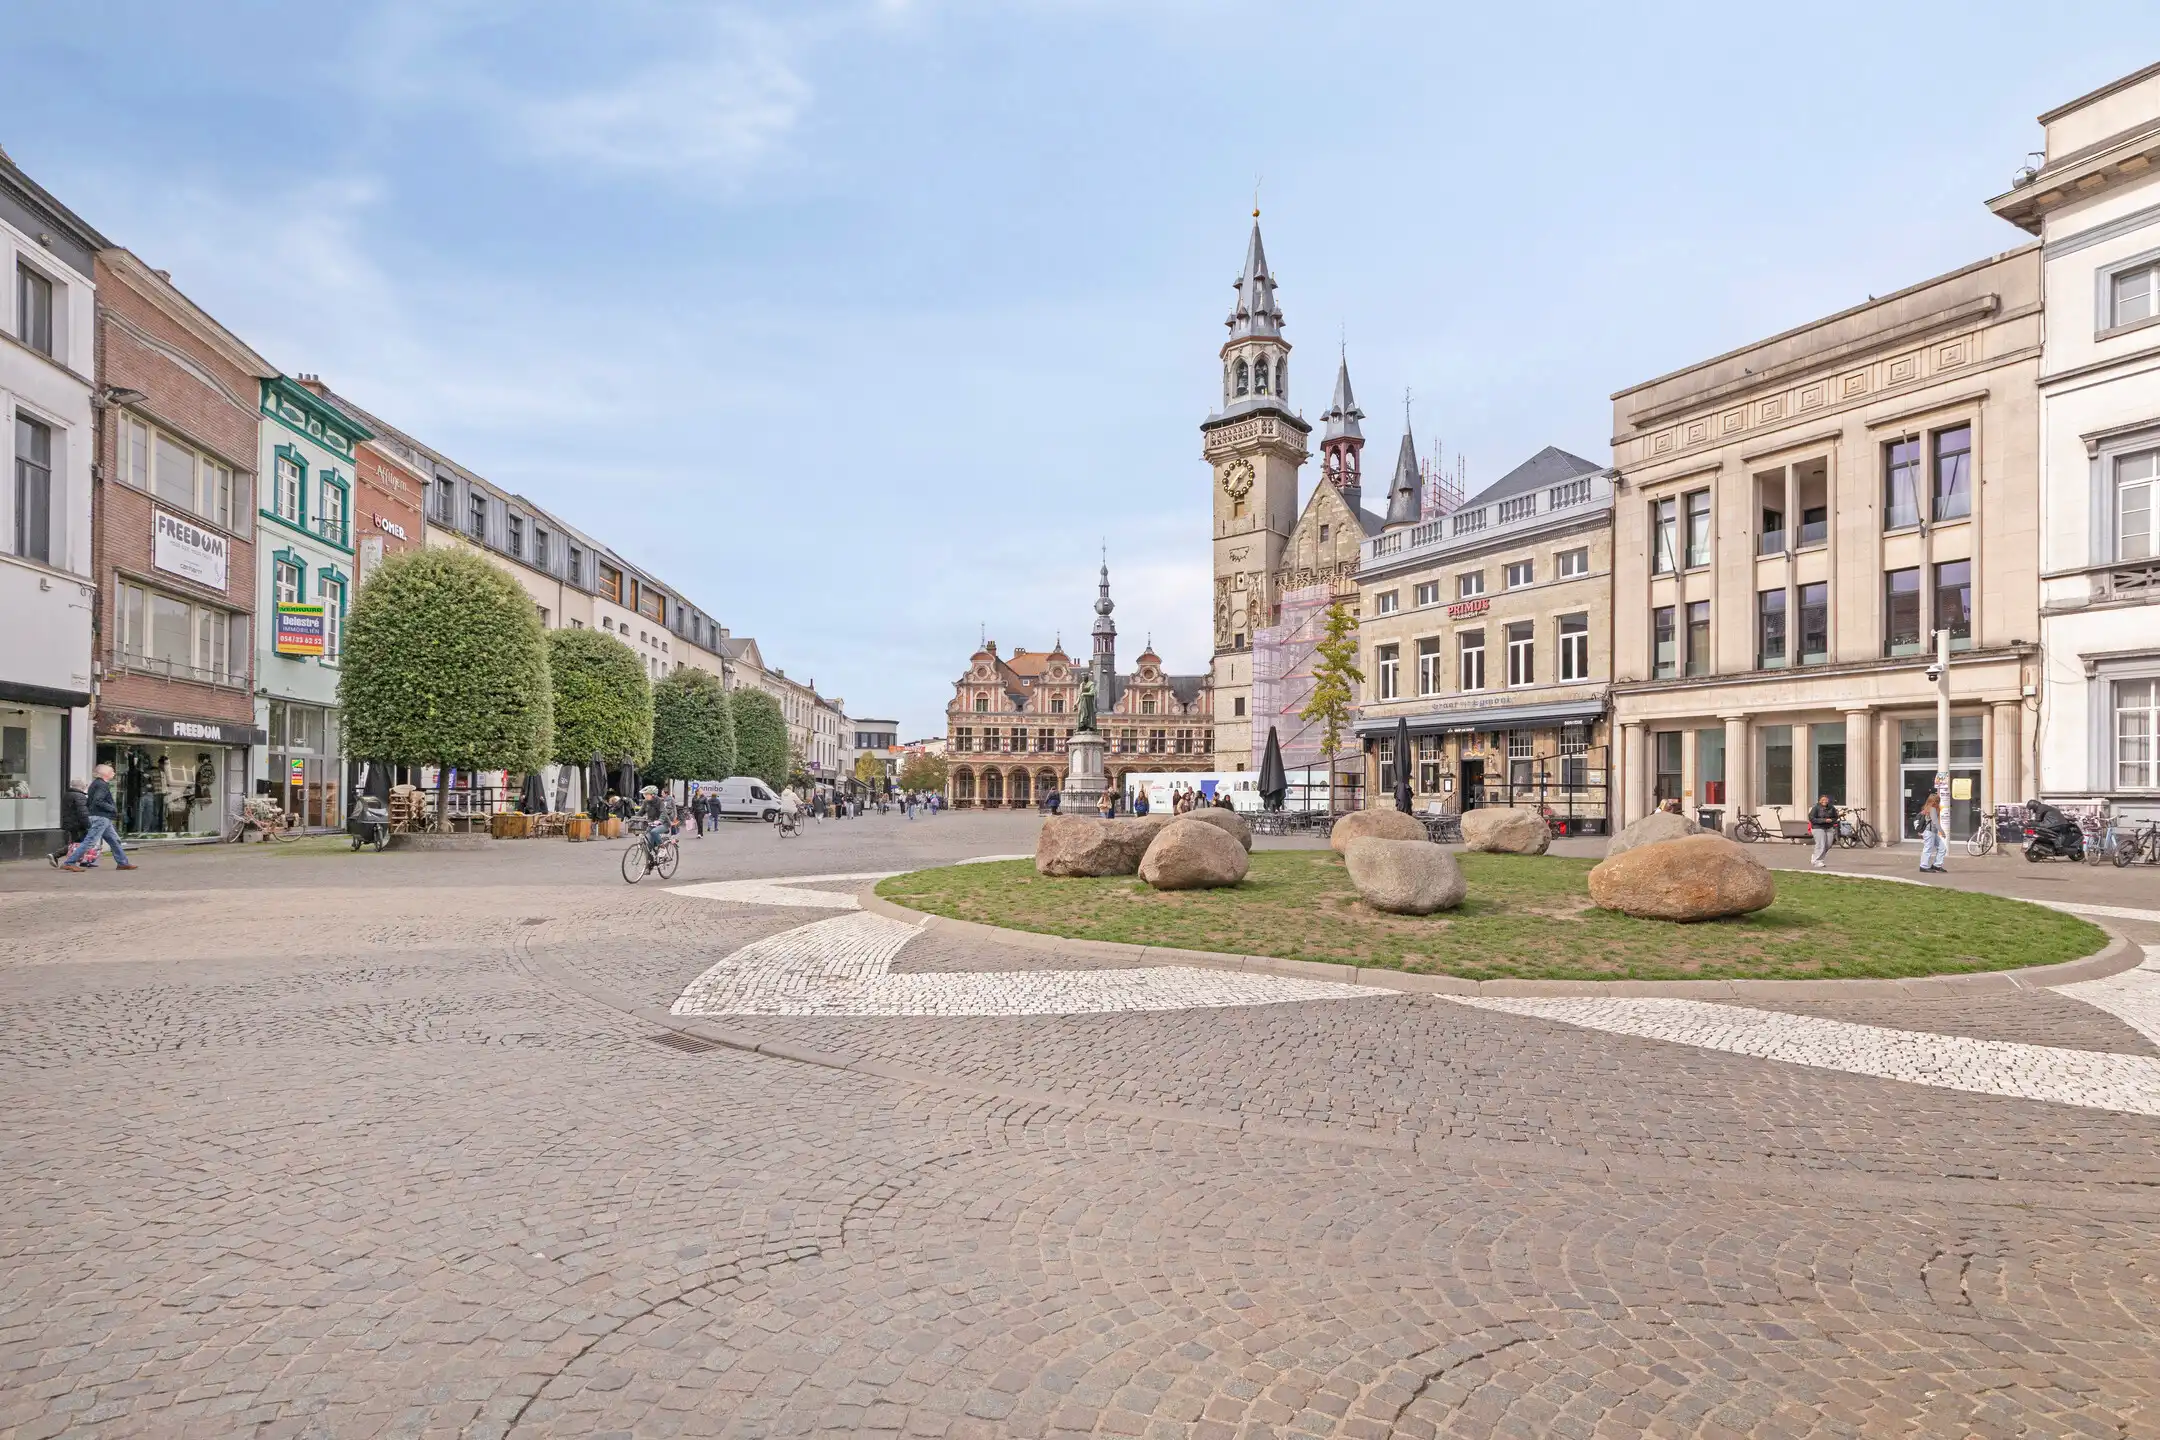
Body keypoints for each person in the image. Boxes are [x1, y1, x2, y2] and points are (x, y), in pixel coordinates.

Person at [59, 764, 136, 872]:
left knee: (115, 840)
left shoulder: (96, 784)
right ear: (104, 773)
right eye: (112, 771)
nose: (114, 773)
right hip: (101, 817)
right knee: (90, 841)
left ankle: (123, 863)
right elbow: (98, 801)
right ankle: (70, 862)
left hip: (102, 817)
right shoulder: (102, 785)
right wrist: (113, 808)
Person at [1916, 789, 1948, 873]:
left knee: (1942, 848)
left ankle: (1937, 865)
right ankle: (1923, 866)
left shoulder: (1928, 808)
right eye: (1937, 801)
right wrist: (1942, 832)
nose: (1938, 802)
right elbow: (1935, 822)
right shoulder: (1932, 809)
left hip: (1932, 832)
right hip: (1929, 832)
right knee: (1928, 849)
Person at [1807, 793, 1840, 868]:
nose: (1824, 801)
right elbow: (1812, 818)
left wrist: (1832, 820)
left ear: (1828, 800)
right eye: (1823, 800)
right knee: (1821, 844)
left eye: (1826, 800)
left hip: (1829, 827)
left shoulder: (1832, 808)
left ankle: (1815, 855)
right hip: (1818, 827)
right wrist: (1824, 820)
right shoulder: (1816, 808)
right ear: (1819, 801)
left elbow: (1835, 817)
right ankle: (1817, 861)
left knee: (1828, 844)